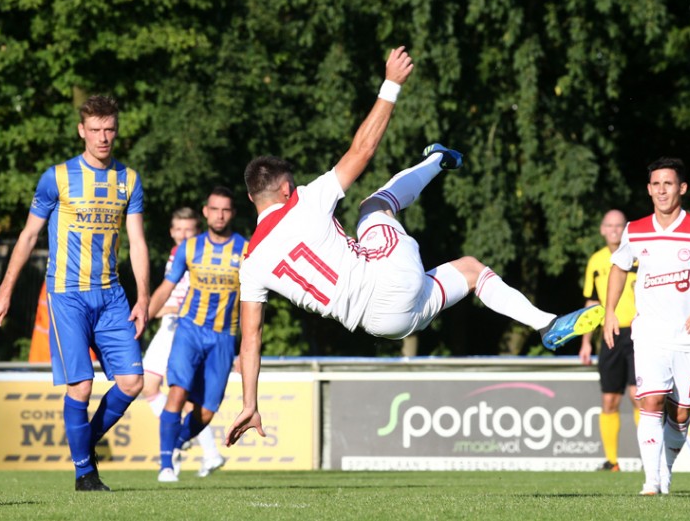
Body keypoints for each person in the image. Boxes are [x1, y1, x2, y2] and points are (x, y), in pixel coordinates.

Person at [226, 46, 604, 447]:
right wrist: (391, 84)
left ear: (252, 199)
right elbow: (363, 150)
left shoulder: (250, 263)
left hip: (386, 325)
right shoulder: (303, 199)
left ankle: (547, 325)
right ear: (285, 188)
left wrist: (250, 402)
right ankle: (437, 160)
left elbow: (251, 339)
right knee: (374, 206)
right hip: (389, 277)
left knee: (471, 271)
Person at [0, 95, 150, 492]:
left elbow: (138, 241)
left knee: (132, 382)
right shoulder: (57, 177)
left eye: (109, 129)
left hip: (111, 295)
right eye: (95, 130)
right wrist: (5, 292)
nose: (103, 137)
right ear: (82, 130)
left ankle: (83, 443)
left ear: (117, 129)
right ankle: (85, 474)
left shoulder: (129, 180)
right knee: (81, 386)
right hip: (67, 294)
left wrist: (143, 297)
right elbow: (28, 236)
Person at [604, 157, 690, 496]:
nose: (662, 190)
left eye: (669, 184)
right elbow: (619, 268)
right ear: (649, 190)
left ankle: (666, 470)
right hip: (648, 334)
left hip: (689, 337)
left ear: (682, 188)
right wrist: (610, 312)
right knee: (650, 402)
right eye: (656, 184)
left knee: (680, 412)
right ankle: (651, 482)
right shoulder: (635, 229)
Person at [148, 187, 247, 482]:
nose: (220, 215)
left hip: (224, 337)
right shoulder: (189, 248)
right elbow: (166, 287)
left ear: (233, 213)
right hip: (188, 330)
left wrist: (245, 349)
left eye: (226, 210)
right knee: (176, 391)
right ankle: (166, 465)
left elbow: (251, 303)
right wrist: (142, 317)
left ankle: (176, 445)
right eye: (214, 209)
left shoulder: (245, 249)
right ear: (205, 211)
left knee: (206, 412)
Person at [141, 207, 227, 477]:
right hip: (169, 326)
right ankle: (205, 452)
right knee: (153, 387)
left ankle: (178, 451)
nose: (182, 234)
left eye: (189, 230)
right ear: (171, 231)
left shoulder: (197, 256)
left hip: (181, 328)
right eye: (178, 229)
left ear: (197, 231)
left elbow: (190, 301)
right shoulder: (176, 254)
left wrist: (157, 309)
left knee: (176, 393)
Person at [578, 209, 640, 472]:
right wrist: (586, 342)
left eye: (619, 226)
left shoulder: (638, 254)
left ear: (625, 228)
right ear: (602, 229)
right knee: (609, 401)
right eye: (610, 226)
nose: (615, 230)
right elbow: (591, 303)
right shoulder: (596, 261)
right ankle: (612, 461)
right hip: (609, 334)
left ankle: (650, 459)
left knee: (640, 397)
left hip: (639, 333)